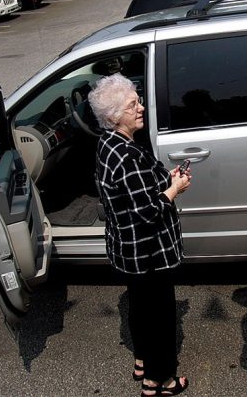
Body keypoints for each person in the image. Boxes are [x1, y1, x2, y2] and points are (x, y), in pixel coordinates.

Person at [88, 73, 192, 397]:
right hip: (149, 253)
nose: (141, 108)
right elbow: (148, 211)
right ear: (114, 116)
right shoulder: (128, 155)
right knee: (160, 316)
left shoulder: (110, 144)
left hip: (128, 251)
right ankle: (159, 381)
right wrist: (175, 189)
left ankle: (142, 361)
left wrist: (165, 178)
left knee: (140, 308)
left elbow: (136, 189)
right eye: (132, 105)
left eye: (138, 101)